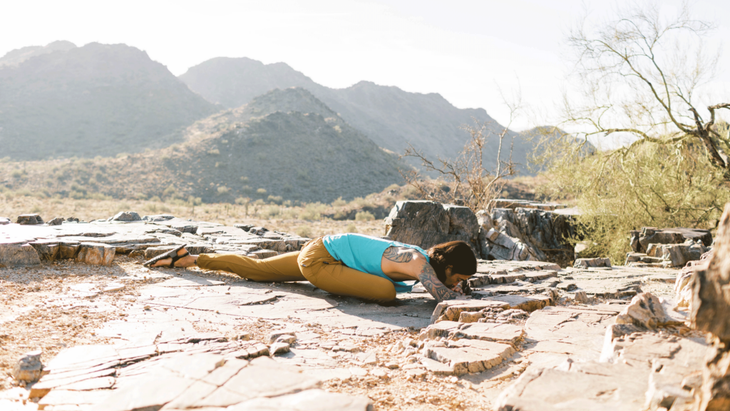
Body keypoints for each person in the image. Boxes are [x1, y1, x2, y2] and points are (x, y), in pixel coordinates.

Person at [144, 233, 477, 303]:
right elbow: (441, 296)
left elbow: (441, 286)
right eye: (459, 277)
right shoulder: (418, 262)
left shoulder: (420, 256)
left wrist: (459, 285)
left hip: (322, 247)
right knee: (386, 292)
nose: (458, 283)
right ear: (447, 266)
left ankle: (189, 258)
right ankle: (191, 258)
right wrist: (462, 296)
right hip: (321, 260)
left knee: (257, 270)